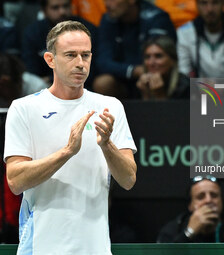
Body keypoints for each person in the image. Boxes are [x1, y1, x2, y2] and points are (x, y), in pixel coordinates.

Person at [4, 20, 137, 254]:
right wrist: (66, 153)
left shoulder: (110, 106)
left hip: (95, 248)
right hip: (40, 247)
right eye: (70, 55)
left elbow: (128, 179)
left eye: (85, 55)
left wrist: (107, 146)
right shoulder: (24, 108)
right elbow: (15, 181)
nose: (80, 64)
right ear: (50, 60)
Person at [94, 0, 177, 99]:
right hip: (126, 79)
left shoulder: (157, 18)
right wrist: (134, 70)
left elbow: (161, 57)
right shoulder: (109, 19)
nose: (107, 4)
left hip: (161, 76)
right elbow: (103, 62)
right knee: (103, 83)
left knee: (155, 71)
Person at [21, 0, 97, 89]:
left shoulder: (87, 30)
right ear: (44, 10)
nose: (62, 12)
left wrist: (51, 78)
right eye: (55, 8)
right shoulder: (32, 33)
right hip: (45, 88)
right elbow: (31, 71)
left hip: (83, 84)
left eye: (66, 6)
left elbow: (94, 67)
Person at [157, 175, 224, 242]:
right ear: (190, 205)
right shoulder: (173, 230)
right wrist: (189, 232)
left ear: (223, 201)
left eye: (214, 195)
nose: (208, 200)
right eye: (200, 197)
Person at [136, 36, 189, 100]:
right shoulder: (140, 85)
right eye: (147, 57)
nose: (151, 63)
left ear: (173, 60)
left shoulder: (189, 86)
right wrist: (145, 95)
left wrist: (160, 96)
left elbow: (199, 109)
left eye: (158, 56)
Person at [155, 0, 224, 28]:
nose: (209, 9)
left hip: (221, 30)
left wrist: (184, 7)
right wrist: (199, 9)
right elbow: (164, 13)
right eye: (203, 3)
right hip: (179, 35)